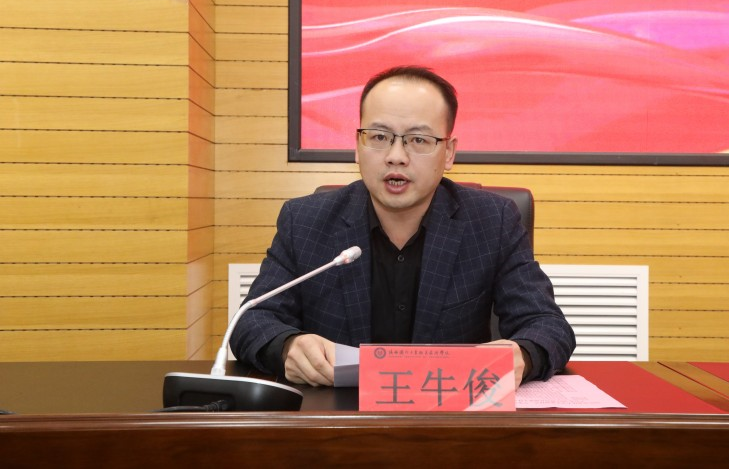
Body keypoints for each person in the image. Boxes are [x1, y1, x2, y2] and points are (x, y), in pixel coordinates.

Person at [230, 65, 575, 388]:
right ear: (358, 146)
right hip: (339, 417)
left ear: (449, 153)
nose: (396, 156)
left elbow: (548, 326)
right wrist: (287, 346)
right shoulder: (305, 221)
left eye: (418, 140)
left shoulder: (491, 222)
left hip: (449, 417)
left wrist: (522, 354)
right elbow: (251, 321)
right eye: (379, 137)